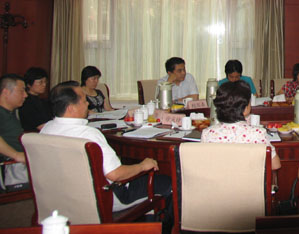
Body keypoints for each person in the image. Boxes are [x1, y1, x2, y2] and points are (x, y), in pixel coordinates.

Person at [41, 81, 173, 228]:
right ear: (71, 108)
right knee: (169, 182)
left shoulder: (46, 130)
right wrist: (143, 165)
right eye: (84, 101)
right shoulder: (88, 135)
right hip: (107, 197)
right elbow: (115, 174)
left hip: (60, 196)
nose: (88, 104)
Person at [201, 81, 281, 169]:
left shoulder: (207, 133)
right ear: (245, 108)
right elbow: (275, 165)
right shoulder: (258, 133)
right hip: (248, 178)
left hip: (218, 178)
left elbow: (204, 165)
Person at [0, 74, 29, 187]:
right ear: (6, 92)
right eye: (22, 91)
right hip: (12, 165)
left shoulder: (11, 113)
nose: (25, 95)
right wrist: (16, 155)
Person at [19, 67, 53, 131]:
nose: (44, 85)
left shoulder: (43, 101)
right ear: (29, 84)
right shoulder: (26, 102)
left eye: (45, 82)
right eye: (40, 82)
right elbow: (40, 126)